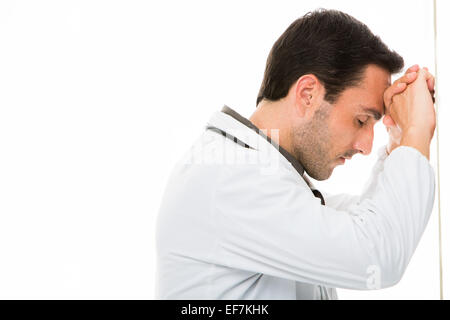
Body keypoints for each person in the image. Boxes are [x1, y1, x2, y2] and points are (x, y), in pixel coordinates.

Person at [155, 9, 436, 299]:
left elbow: (371, 221)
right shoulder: (231, 179)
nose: (366, 147)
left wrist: (400, 138)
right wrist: (416, 130)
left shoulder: (263, 176)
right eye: (361, 120)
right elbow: (375, 254)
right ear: (308, 94)